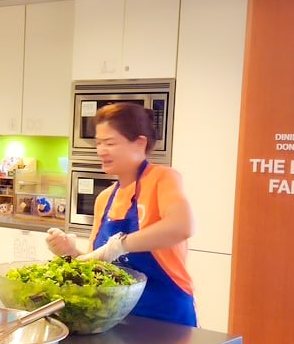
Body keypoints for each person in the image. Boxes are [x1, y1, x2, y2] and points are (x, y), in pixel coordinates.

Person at [46, 102, 197, 326]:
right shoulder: (104, 198)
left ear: (139, 143)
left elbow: (182, 226)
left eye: (110, 143)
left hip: (166, 317)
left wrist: (121, 244)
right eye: (98, 143)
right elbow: (98, 268)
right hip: (116, 317)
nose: (101, 151)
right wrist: (69, 253)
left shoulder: (163, 179)